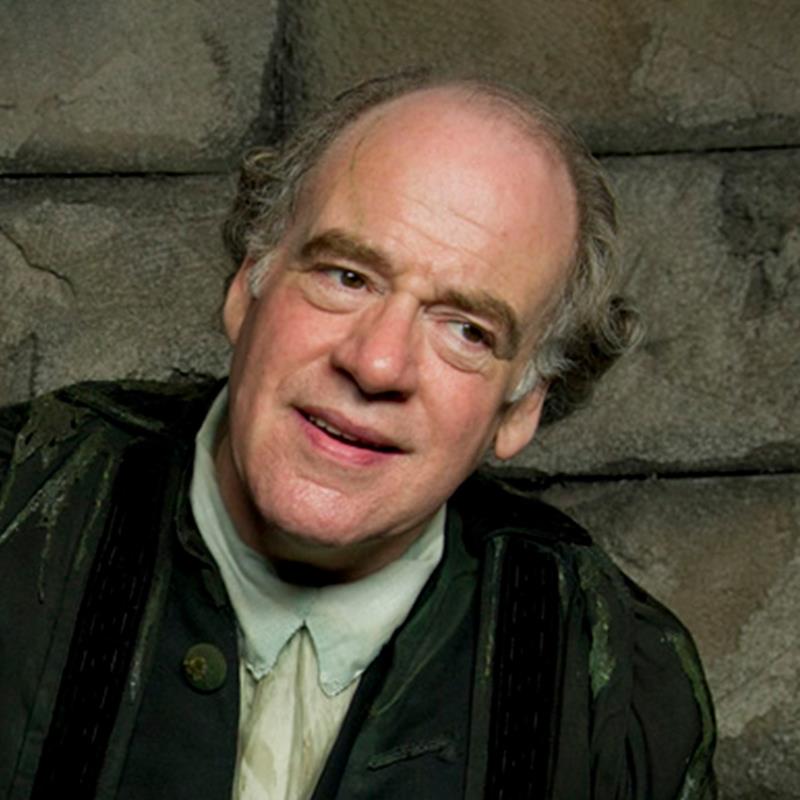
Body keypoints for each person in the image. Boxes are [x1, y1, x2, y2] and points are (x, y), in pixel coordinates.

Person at [0, 74, 717, 799]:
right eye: (347, 277)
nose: (377, 364)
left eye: (467, 330)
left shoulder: (611, 689)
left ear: (521, 407)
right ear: (247, 286)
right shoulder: (18, 503)